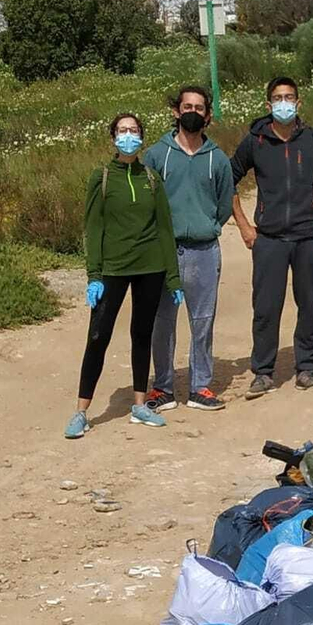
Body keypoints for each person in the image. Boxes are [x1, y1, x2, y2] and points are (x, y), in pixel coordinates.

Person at [65, 112, 182, 438]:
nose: (128, 135)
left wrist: (173, 277)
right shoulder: (100, 177)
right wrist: (94, 275)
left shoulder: (151, 178)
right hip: (113, 270)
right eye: (122, 130)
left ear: (142, 136)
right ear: (113, 137)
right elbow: (94, 227)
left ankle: (140, 405)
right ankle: (81, 412)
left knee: (141, 335)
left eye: (133, 130)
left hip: (151, 267)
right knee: (98, 337)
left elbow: (164, 228)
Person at [230, 76, 313, 398]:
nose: (284, 103)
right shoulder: (254, 142)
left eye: (289, 97)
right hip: (269, 239)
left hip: (307, 237)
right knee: (265, 307)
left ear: (299, 103)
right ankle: (262, 372)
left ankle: (307, 367)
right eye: (278, 97)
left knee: (309, 304)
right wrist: (245, 226)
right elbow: (227, 181)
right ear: (268, 104)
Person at [143, 85, 235, 411]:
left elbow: (224, 205)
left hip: (204, 252)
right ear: (176, 111)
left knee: (203, 320)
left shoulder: (218, 159)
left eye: (199, 108)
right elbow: (145, 201)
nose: (192, 112)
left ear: (208, 115)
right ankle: (163, 388)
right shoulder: (157, 155)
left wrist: (205, 227)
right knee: (162, 321)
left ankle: (200, 387)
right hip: (165, 253)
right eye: (186, 107)